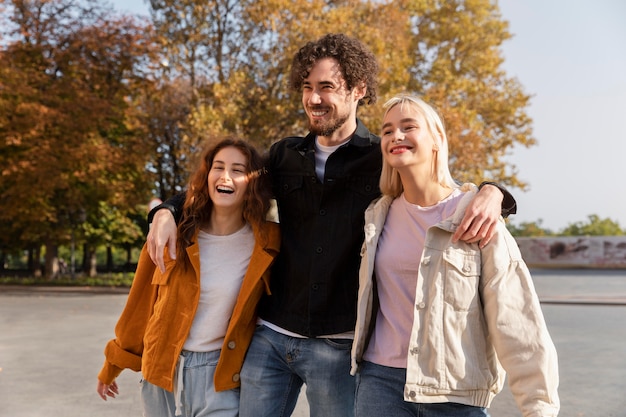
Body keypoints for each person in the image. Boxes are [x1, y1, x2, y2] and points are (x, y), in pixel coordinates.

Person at [147, 34, 516, 417]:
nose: (313, 98)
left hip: (339, 347)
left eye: (326, 87)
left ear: (358, 89)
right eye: (307, 87)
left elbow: (443, 191)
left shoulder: (384, 157)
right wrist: (167, 211)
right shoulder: (284, 155)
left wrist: (493, 193)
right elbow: (227, 185)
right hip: (271, 336)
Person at [350, 94, 559, 417]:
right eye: (388, 130)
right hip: (380, 384)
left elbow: (516, 319)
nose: (396, 136)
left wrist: (539, 408)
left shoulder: (475, 214)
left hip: (455, 392)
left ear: (437, 140)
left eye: (408, 126)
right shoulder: (377, 216)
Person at [96, 138, 280, 417]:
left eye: (238, 169)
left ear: (252, 182)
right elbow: (141, 306)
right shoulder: (170, 235)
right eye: (218, 167)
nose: (225, 176)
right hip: (160, 369)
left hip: (219, 376)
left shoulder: (268, 243)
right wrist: (113, 364)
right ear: (207, 176)